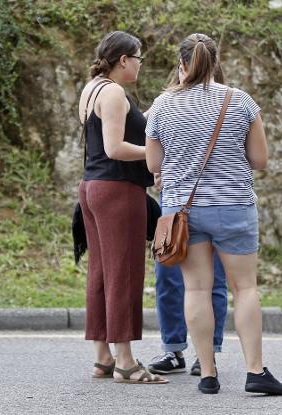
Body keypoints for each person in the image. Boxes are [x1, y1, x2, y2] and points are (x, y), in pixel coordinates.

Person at [145, 33, 282, 395]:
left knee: (195, 288)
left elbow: (153, 164)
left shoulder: (161, 105)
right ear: (215, 64)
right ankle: (255, 372)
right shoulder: (240, 101)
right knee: (245, 289)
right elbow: (260, 160)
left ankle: (208, 373)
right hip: (233, 206)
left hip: (183, 211)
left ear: (182, 65)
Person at [77, 31, 167, 384]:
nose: (141, 64)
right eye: (139, 58)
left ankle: (103, 357)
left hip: (92, 188)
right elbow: (115, 148)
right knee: (124, 273)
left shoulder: (93, 87)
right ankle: (126, 361)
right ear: (124, 59)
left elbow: (107, 139)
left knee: (100, 272)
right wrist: (155, 154)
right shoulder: (114, 92)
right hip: (117, 190)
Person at [147, 69, 229, 378]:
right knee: (168, 274)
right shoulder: (166, 103)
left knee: (214, 282)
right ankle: (174, 348)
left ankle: (207, 354)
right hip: (176, 204)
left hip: (214, 201)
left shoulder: (227, 102)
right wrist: (159, 170)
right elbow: (153, 147)